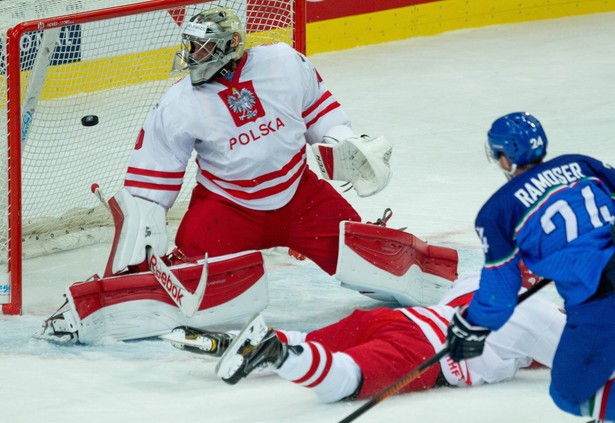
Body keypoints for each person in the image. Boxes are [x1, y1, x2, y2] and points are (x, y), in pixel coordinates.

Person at [34, 7, 458, 345]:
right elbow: (151, 179)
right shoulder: (178, 103)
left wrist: (344, 140)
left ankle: (452, 287)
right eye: (190, 47)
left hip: (302, 197)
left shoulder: (282, 63)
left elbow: (320, 113)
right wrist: (141, 235)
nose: (191, 57)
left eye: (201, 49)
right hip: (226, 209)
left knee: (372, 262)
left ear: (229, 46)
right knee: (193, 291)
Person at [162, 271, 565, 403]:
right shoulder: (539, 315)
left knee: (316, 338)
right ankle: (280, 355)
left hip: (399, 320)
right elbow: (586, 357)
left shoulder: (474, 281)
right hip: (422, 350)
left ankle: (234, 340)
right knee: (348, 380)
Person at [445, 112, 615, 423]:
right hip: (603, 287)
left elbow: (500, 292)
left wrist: (473, 324)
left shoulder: (497, 211)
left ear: (506, 159)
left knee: (571, 393)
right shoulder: (581, 163)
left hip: (600, 299)